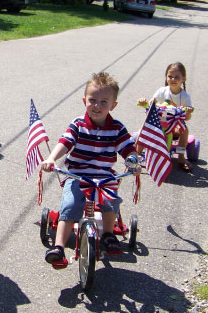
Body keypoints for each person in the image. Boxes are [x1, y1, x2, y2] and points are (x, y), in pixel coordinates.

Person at [40, 72, 141, 268]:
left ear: (113, 105)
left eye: (104, 102)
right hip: (77, 174)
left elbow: (128, 149)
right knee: (70, 204)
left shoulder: (117, 128)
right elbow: (66, 142)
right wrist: (52, 158)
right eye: (92, 100)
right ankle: (59, 247)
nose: (97, 105)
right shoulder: (78, 124)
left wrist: (133, 162)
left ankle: (109, 234)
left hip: (104, 176)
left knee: (111, 202)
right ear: (84, 100)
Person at [137, 62, 194, 171]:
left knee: (185, 131)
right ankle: (137, 155)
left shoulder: (185, 97)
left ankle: (181, 157)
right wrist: (145, 102)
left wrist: (188, 111)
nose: (173, 79)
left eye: (177, 77)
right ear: (166, 77)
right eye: (170, 76)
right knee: (143, 129)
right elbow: (152, 104)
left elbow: (187, 117)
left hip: (174, 124)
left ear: (183, 79)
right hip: (158, 122)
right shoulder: (162, 91)